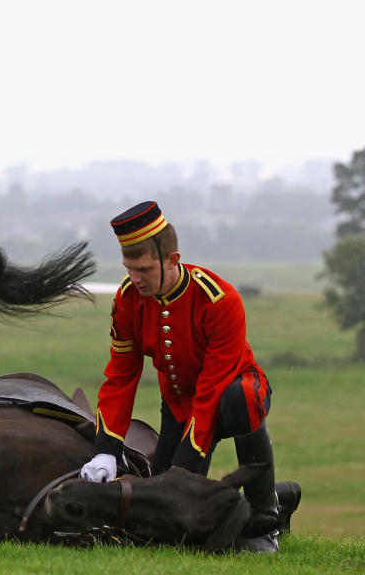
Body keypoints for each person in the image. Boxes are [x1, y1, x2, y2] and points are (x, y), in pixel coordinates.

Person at [79, 201, 283, 552]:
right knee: (164, 519)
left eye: (143, 269)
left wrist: (184, 467)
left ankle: (265, 520)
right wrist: (105, 450)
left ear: (173, 260)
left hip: (230, 392)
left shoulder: (220, 301)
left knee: (241, 399)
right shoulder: (128, 299)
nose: (135, 279)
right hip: (177, 403)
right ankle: (284, 495)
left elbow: (212, 389)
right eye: (129, 268)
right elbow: (121, 375)